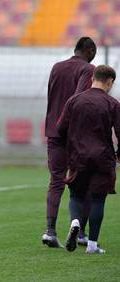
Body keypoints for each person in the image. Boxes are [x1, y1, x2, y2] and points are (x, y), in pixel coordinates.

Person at [57, 65, 118, 254]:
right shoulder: (112, 104)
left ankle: (75, 221)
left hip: (78, 156)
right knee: (98, 200)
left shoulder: (74, 100)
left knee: (76, 195)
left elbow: (60, 128)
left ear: (92, 78)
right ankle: (92, 245)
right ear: (110, 82)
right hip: (102, 157)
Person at [42, 37, 97, 248]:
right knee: (82, 182)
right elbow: (79, 100)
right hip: (75, 135)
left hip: (53, 132)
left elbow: (51, 96)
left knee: (56, 181)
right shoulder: (87, 69)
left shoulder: (56, 67)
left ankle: (50, 231)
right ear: (89, 50)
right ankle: (81, 232)